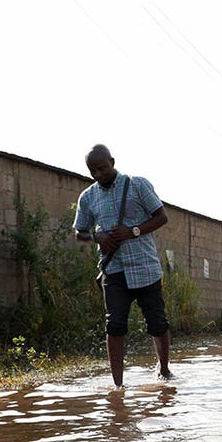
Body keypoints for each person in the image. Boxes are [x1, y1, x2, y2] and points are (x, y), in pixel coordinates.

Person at [73, 144, 174, 388]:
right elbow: (79, 232)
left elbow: (161, 217)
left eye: (102, 168)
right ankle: (118, 386)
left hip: (145, 267)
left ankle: (164, 370)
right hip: (113, 270)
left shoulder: (138, 185)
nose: (98, 174)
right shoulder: (88, 197)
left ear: (112, 162)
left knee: (157, 323)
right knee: (115, 324)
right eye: (92, 170)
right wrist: (97, 237)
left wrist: (133, 231)